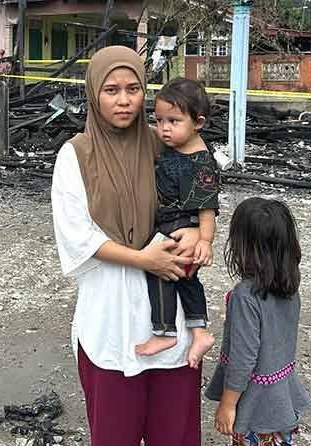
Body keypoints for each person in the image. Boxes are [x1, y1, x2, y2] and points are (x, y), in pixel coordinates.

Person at [51, 45, 204, 446]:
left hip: (169, 306)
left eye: (133, 89)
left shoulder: (163, 144)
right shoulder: (76, 156)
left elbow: (200, 193)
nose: (124, 100)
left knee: (173, 431)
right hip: (111, 311)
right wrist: (143, 259)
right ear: (93, 94)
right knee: (114, 430)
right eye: (111, 90)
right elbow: (77, 235)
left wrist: (201, 234)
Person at [206, 198, 311, 445]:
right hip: (281, 403)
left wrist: (228, 404)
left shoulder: (245, 296)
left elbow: (244, 358)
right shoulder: (289, 290)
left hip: (255, 408)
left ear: (243, 246)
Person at [135, 78, 219, 366]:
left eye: (173, 121)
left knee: (159, 270)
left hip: (178, 224)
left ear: (198, 122)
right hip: (173, 222)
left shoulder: (200, 163)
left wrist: (205, 240)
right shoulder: (175, 147)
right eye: (159, 120)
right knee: (186, 278)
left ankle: (164, 330)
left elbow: (208, 206)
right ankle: (200, 331)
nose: (164, 129)